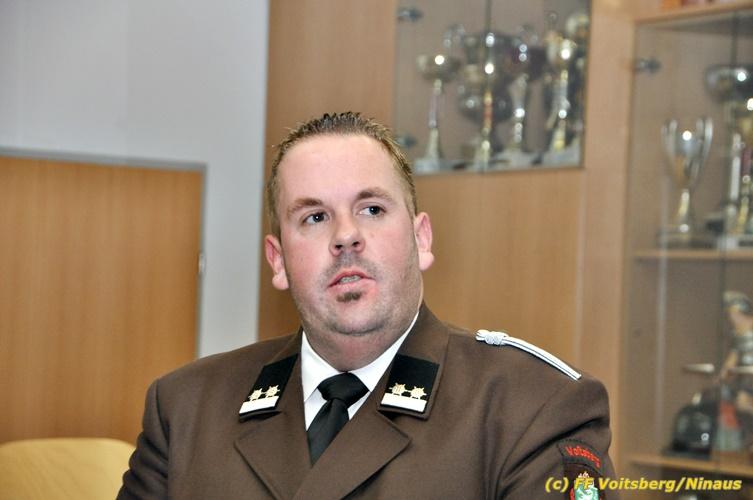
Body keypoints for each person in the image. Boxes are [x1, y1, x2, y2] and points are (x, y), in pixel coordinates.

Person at [118, 112, 614, 499]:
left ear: (421, 239)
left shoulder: (531, 408)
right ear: (279, 260)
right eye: (314, 217)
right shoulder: (187, 408)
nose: (346, 236)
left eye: (372, 209)